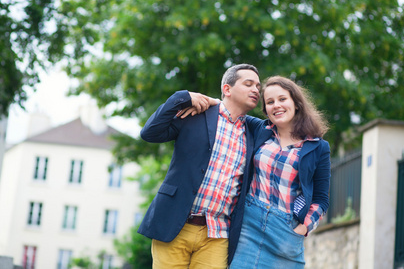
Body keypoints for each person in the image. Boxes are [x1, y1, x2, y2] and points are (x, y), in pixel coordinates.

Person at [138, 64, 261, 268]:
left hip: (217, 234)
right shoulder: (196, 113)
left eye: (258, 86)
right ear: (227, 89)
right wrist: (182, 97)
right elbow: (150, 133)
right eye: (248, 84)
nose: (256, 89)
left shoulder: (255, 131)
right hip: (175, 225)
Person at [228, 75, 331, 268]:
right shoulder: (260, 129)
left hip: (286, 233)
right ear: (265, 109)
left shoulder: (318, 147)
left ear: (296, 103)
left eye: (282, 99)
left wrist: (303, 228)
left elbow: (321, 199)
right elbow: (228, 110)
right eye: (270, 102)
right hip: (248, 226)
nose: (276, 105)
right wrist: (202, 100)